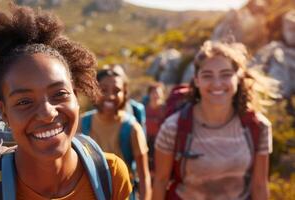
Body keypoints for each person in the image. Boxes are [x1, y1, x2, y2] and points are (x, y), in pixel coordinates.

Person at [0, 4, 132, 200]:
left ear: (75, 94)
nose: (48, 113)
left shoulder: (111, 176)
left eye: (59, 93)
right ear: (4, 113)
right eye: (24, 102)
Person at [152, 40, 279, 200]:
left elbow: (260, 186)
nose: (217, 83)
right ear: (196, 81)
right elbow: (160, 181)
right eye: (207, 76)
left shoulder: (258, 126)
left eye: (226, 74)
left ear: (238, 78)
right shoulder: (173, 127)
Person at [80, 66, 152, 200]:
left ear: (125, 93)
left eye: (117, 91)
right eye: (103, 90)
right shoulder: (81, 123)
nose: (110, 96)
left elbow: (144, 177)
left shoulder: (132, 129)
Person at [144, 82, 165, 174]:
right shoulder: (143, 109)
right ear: (149, 94)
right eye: (153, 93)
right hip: (146, 141)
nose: (156, 95)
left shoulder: (166, 109)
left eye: (158, 93)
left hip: (161, 141)